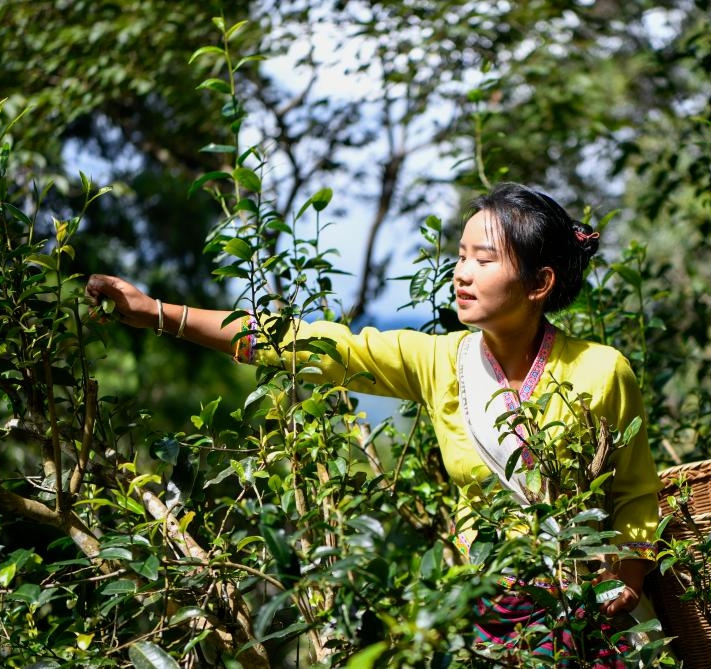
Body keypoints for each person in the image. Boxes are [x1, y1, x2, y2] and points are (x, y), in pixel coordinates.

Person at [86, 182, 662, 666]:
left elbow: (636, 494)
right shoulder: (443, 362)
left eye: (484, 259)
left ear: (540, 284)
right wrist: (158, 313)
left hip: (588, 616)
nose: (461, 273)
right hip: (486, 614)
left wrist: (628, 579)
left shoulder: (599, 371)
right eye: (460, 255)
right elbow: (313, 346)